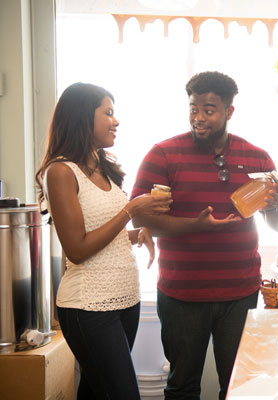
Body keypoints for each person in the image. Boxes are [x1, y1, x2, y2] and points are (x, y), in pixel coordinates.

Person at [130, 71, 278, 399]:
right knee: (182, 385)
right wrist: (195, 226)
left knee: (237, 386)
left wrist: (276, 206)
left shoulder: (256, 157)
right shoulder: (163, 154)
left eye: (209, 109)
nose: (199, 118)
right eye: (193, 109)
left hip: (240, 292)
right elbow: (139, 218)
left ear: (229, 112)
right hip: (181, 295)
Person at [35, 82, 172, 400]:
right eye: (108, 112)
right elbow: (78, 249)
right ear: (84, 117)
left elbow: (102, 234)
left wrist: (136, 234)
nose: (116, 121)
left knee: (96, 393)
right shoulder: (60, 172)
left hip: (126, 299)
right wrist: (130, 211)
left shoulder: (104, 168)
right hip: (89, 307)